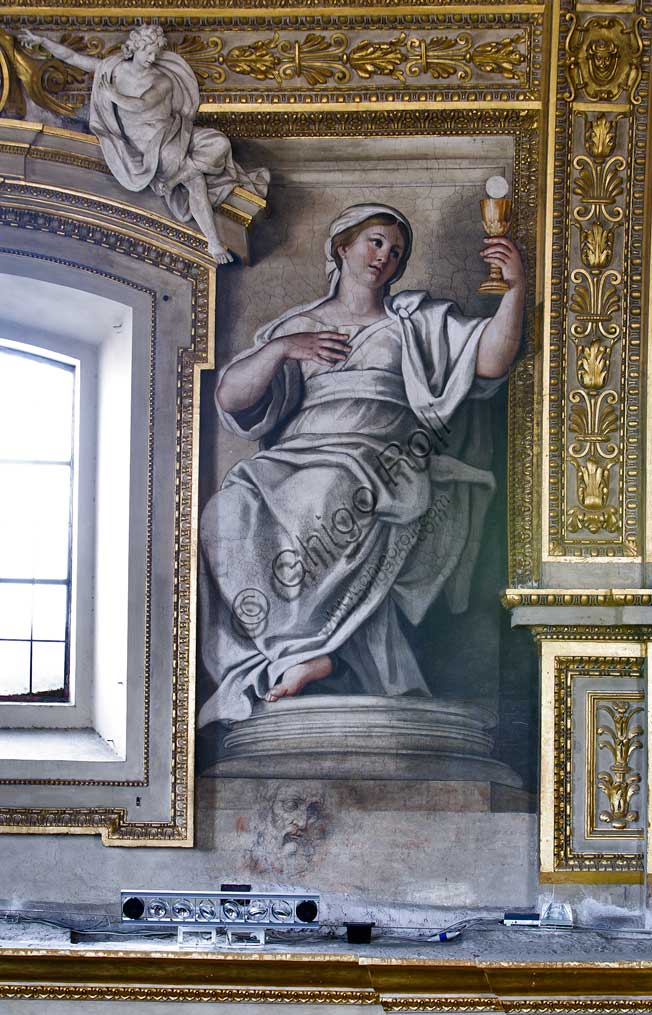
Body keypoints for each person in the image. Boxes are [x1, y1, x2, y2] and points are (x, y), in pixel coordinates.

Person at [198, 203, 524, 726]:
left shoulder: (413, 322)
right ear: (342, 247)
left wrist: (514, 290)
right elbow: (233, 398)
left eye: (395, 252)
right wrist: (283, 349)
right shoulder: (298, 325)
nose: (384, 257)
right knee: (225, 514)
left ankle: (314, 650)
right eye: (375, 242)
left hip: (380, 459)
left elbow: (489, 358)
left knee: (328, 490)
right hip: (296, 456)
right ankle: (294, 651)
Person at [19, 25, 269, 263]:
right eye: (148, 51)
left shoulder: (161, 80)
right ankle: (213, 243)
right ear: (134, 47)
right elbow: (75, 58)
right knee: (196, 182)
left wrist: (113, 95)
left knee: (220, 143)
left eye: (155, 53)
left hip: (171, 133)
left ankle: (173, 180)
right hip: (151, 149)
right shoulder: (113, 69)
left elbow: (140, 104)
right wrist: (43, 41)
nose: (151, 57)